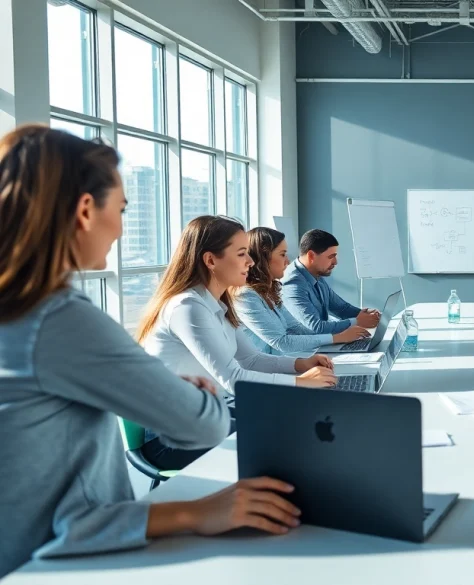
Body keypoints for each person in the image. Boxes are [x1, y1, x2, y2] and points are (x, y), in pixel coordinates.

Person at [0, 126, 301, 578]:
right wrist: (189, 511)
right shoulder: (59, 318)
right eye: (120, 210)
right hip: (59, 566)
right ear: (85, 210)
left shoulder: (18, 315)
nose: (122, 228)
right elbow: (202, 425)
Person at [136, 216, 338, 469]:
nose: (251, 262)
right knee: (287, 436)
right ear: (210, 260)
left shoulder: (218, 304)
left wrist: (301, 364)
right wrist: (303, 382)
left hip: (208, 415)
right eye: (242, 253)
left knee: (294, 421)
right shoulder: (187, 307)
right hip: (170, 438)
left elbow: (251, 359)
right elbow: (233, 379)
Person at [235, 227, 371, 355]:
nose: (287, 262)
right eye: (282, 255)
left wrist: (340, 336)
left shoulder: (268, 292)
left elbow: (296, 328)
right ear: (264, 258)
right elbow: (282, 342)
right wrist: (336, 338)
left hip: (281, 363)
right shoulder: (247, 297)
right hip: (263, 372)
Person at [281, 229, 381, 335]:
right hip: (305, 350)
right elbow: (316, 327)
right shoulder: (293, 284)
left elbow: (342, 308)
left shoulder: (315, 273)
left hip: (322, 344)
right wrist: (357, 321)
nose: (335, 262)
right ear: (311, 256)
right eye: (330, 257)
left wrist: (369, 315)